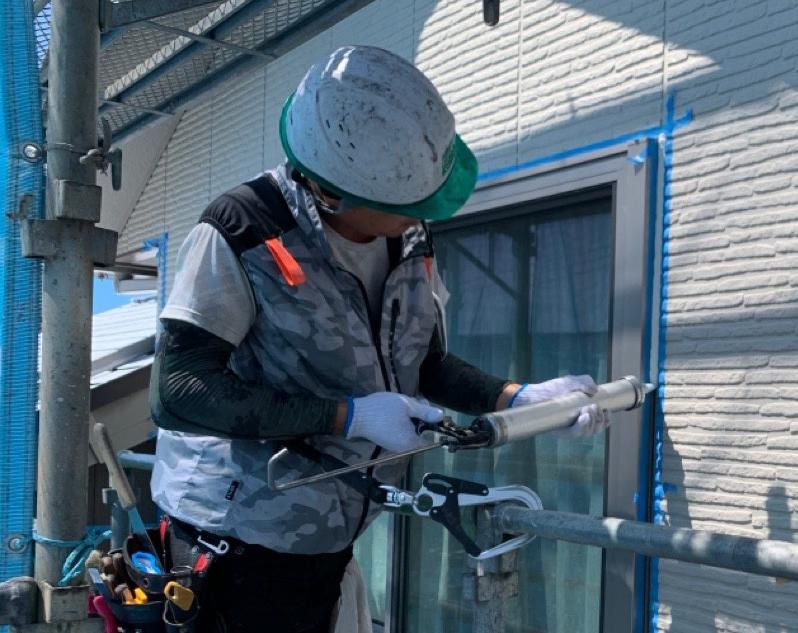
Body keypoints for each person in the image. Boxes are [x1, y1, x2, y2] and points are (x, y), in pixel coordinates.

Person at [148, 45, 611, 633]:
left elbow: (426, 364)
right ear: (332, 194)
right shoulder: (243, 232)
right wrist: (349, 417)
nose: (421, 216)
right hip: (234, 548)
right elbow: (178, 392)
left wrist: (519, 399)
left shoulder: (410, 238)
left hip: (330, 541)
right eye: (407, 206)